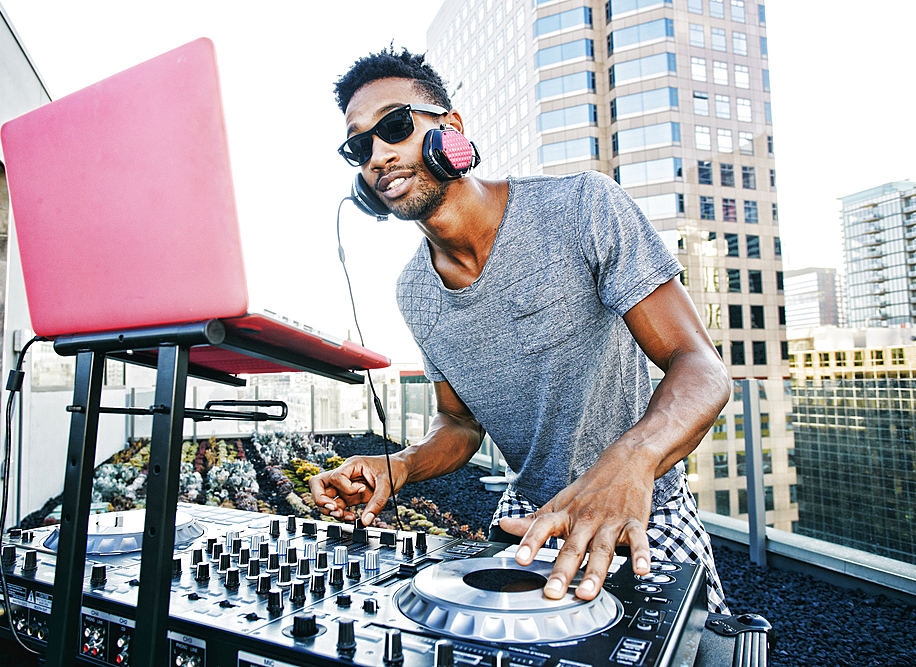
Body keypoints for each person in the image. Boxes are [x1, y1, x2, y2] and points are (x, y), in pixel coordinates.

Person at [309, 47, 731, 614]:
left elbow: (700, 366)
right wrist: (402, 465)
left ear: (449, 129)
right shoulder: (413, 291)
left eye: (395, 126)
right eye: (360, 146)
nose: (379, 155)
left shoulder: (582, 207)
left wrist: (631, 461)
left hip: (643, 510)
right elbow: (459, 424)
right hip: (524, 527)